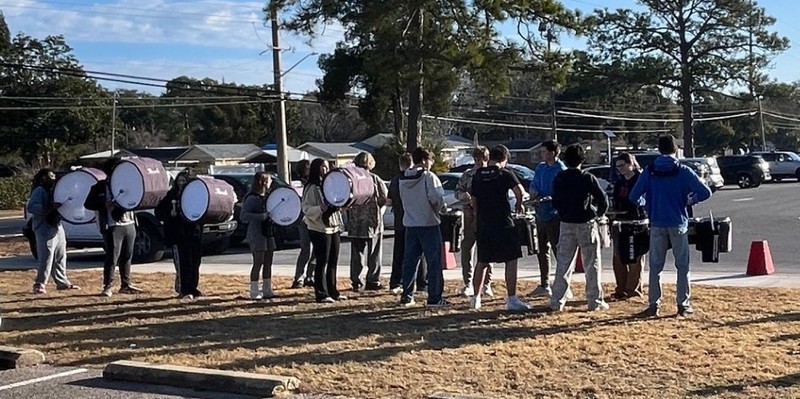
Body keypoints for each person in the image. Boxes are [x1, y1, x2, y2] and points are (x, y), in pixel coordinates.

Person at [629, 135, 712, 317]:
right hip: (678, 222)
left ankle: (654, 304)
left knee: (656, 266)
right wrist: (691, 200)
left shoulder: (649, 171)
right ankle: (683, 304)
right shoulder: (683, 171)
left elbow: (633, 196)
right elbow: (706, 192)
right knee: (682, 265)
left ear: (659, 150)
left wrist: (646, 203)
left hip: (657, 222)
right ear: (675, 149)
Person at [469, 145, 531, 311]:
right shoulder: (504, 173)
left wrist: (476, 217)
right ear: (504, 159)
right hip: (503, 222)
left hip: (483, 223)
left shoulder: (477, 175)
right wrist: (519, 203)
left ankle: (475, 298)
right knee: (511, 260)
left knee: (482, 261)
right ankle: (511, 298)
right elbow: (520, 191)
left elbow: (473, 200)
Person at [550, 144, 610, 312]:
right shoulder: (587, 178)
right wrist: (598, 214)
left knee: (563, 264)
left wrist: (562, 213)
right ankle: (594, 301)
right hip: (586, 223)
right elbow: (603, 200)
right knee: (591, 263)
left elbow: (555, 200)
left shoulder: (560, 178)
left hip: (566, 223)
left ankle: (557, 301)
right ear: (582, 160)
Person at [85, 158, 142, 297]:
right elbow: (88, 203)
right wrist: (104, 204)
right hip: (112, 225)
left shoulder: (128, 185)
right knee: (112, 257)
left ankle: (126, 284)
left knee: (127, 255)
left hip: (129, 223)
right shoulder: (100, 187)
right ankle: (107, 286)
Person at [398, 147, 447, 307]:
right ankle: (434, 297)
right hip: (429, 223)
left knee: (410, 262)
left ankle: (407, 295)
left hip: (410, 224)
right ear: (425, 160)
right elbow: (436, 198)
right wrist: (440, 209)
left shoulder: (403, 177)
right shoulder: (428, 177)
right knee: (434, 263)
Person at [27, 168, 80, 294]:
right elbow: (31, 207)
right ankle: (39, 284)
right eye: (50, 176)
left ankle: (62, 282)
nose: (54, 178)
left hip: (56, 224)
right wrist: (49, 207)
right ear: (43, 178)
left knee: (61, 254)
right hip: (44, 226)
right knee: (46, 256)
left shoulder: (55, 190)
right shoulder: (40, 190)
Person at [302, 158, 346, 303]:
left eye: (327, 167)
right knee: (322, 261)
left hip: (333, 227)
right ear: (316, 169)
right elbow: (306, 209)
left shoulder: (329, 185)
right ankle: (321, 293)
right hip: (319, 229)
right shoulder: (312, 187)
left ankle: (333, 291)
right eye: (322, 167)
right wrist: (320, 208)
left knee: (333, 260)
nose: (325, 170)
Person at [528, 140, 568, 298]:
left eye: (544, 151)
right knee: (541, 250)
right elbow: (534, 184)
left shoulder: (561, 169)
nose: (542, 154)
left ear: (553, 153)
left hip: (555, 214)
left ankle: (563, 284)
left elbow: (562, 191)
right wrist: (533, 192)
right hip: (540, 212)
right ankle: (545, 284)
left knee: (557, 249)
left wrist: (551, 198)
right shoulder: (540, 167)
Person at [155, 171, 203, 300]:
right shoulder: (171, 196)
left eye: (184, 181)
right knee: (183, 263)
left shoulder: (194, 196)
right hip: (178, 235)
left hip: (193, 234)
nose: (181, 183)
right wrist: (170, 214)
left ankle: (193, 287)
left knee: (195, 262)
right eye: (179, 181)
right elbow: (159, 212)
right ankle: (184, 289)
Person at [454, 146, 494, 298]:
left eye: (482, 159)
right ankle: (468, 283)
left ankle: (486, 284)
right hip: (469, 215)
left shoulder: (490, 174)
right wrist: (463, 195)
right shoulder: (468, 175)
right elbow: (457, 191)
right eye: (476, 159)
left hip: (485, 215)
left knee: (487, 250)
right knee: (467, 248)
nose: (479, 162)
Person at [347, 152, 389, 291]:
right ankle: (373, 280)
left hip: (355, 222)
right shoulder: (375, 179)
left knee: (357, 253)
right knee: (375, 252)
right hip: (373, 222)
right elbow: (385, 198)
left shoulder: (351, 179)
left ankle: (356, 281)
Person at [387, 153, 427, 295]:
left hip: (400, 221)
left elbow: (389, 201)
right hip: (416, 221)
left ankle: (395, 281)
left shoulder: (395, 180)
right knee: (418, 253)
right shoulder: (418, 178)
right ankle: (421, 282)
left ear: (400, 164)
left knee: (399, 253)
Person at [610, 153, 647, 300]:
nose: (620, 169)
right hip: (620, 222)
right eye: (617, 166)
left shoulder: (641, 178)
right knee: (618, 256)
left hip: (637, 222)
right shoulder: (619, 182)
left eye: (623, 165)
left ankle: (634, 289)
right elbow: (616, 199)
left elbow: (644, 199)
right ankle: (621, 288)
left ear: (631, 163)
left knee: (635, 257)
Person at [240, 172, 277, 300]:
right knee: (258, 262)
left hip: (268, 231)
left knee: (268, 262)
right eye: (269, 180)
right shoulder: (252, 198)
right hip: (257, 232)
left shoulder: (267, 197)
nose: (271, 182)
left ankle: (267, 289)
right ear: (263, 182)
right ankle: (254, 290)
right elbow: (243, 216)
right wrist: (260, 217)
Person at [292, 159, 315, 289]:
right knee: (306, 248)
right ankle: (299, 277)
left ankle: (310, 276)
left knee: (316, 249)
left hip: (314, 218)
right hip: (303, 219)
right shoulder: (297, 184)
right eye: (308, 168)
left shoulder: (314, 183)